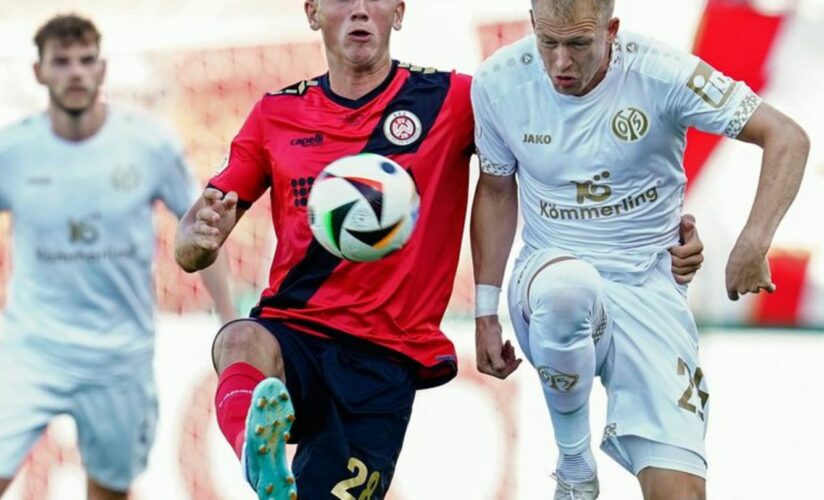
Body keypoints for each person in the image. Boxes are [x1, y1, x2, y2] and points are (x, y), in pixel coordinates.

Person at [174, 1, 705, 499]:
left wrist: (660, 229)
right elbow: (194, 240)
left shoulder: (452, 100)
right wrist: (197, 238)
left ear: (399, 12)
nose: (360, 8)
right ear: (311, 12)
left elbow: (563, 150)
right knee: (241, 337)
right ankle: (253, 442)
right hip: (296, 330)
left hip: (383, 358)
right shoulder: (275, 115)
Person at [470, 0, 810, 499]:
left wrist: (754, 240)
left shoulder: (663, 72)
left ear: (612, 31)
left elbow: (787, 136)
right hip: (547, 279)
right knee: (569, 288)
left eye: (579, 44)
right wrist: (484, 312)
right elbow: (496, 190)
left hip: (648, 289)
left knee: (680, 492)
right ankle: (574, 466)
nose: (561, 62)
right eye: (548, 42)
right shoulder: (500, 81)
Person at [0, 14, 235, 500]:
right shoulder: (13, 149)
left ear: (102, 69)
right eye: (61, 62)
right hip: (31, 350)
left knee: (108, 491)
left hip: (119, 356)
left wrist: (232, 322)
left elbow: (201, 231)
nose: (76, 73)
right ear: (39, 71)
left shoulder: (148, 144)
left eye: (86, 61)